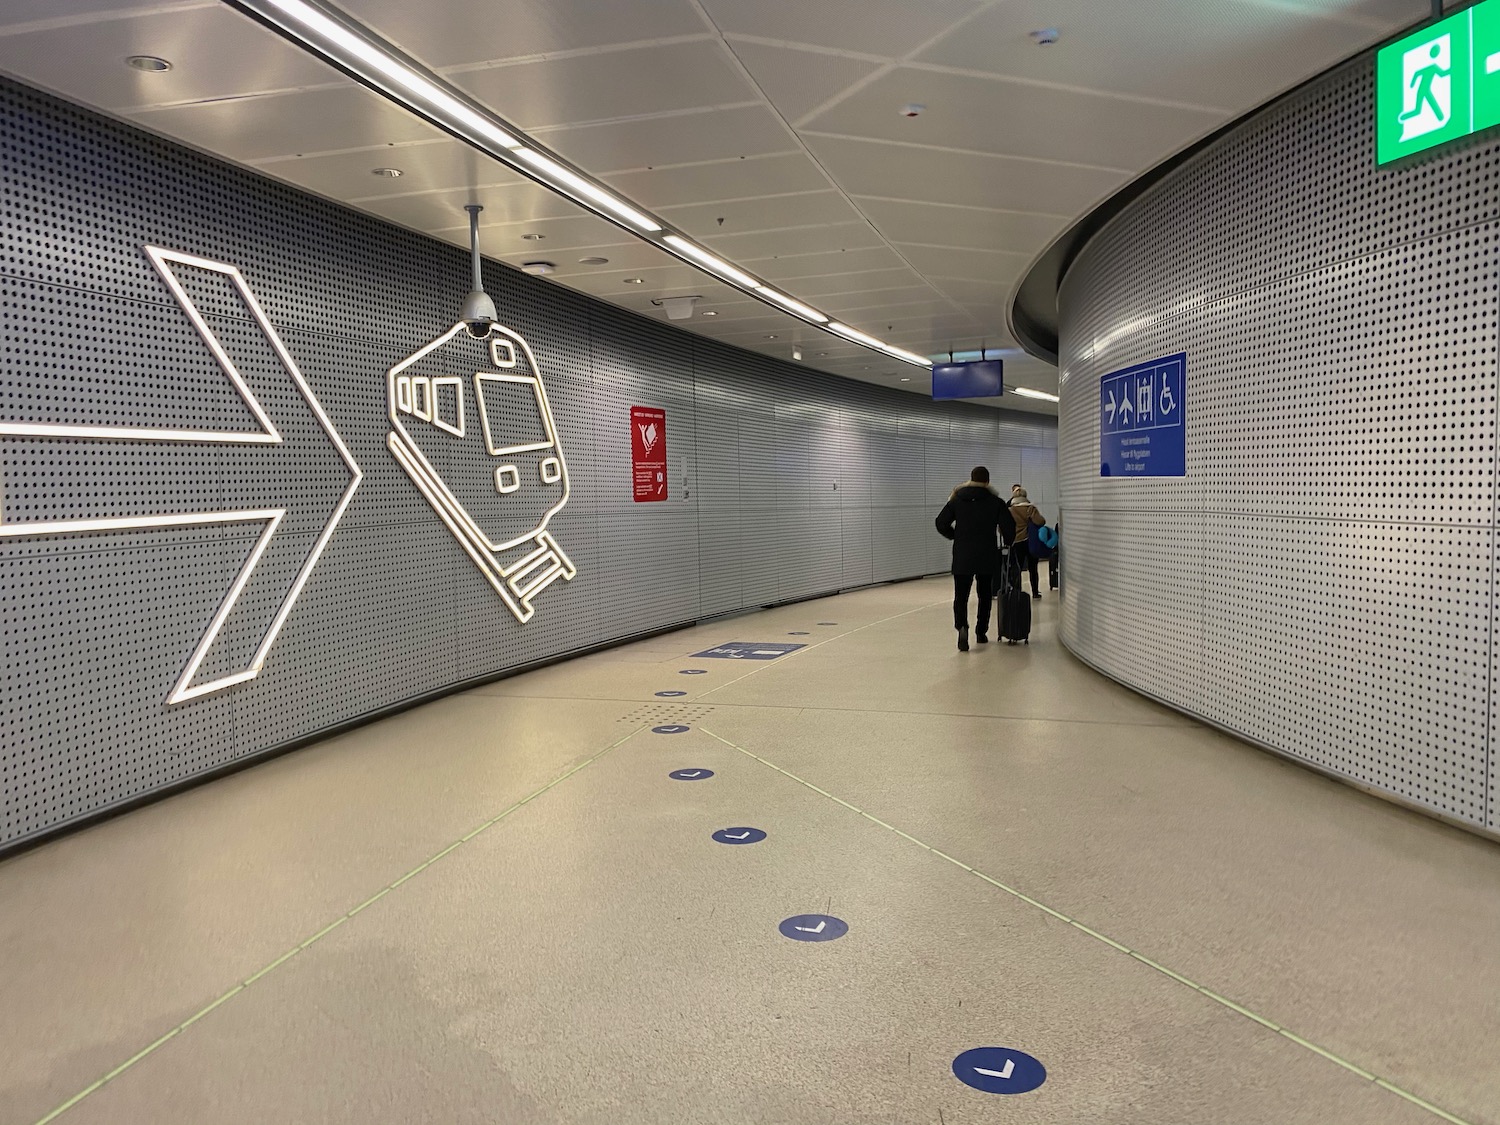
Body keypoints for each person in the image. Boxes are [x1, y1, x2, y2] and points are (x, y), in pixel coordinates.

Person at [935, 466, 1007, 651]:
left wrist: (954, 536)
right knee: (984, 595)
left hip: (962, 556)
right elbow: (1008, 525)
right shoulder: (995, 501)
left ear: (971, 479)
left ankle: (962, 628)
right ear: (987, 481)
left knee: (961, 596)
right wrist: (1009, 541)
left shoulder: (957, 500)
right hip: (986, 554)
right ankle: (981, 632)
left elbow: (941, 522)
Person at [1008, 485, 1045, 600]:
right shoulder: (1030, 509)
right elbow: (1041, 521)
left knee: (1016, 568)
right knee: (1033, 568)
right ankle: (1035, 592)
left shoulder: (1010, 510)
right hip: (1030, 541)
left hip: (1016, 542)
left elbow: (1002, 527)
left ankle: (1017, 591)